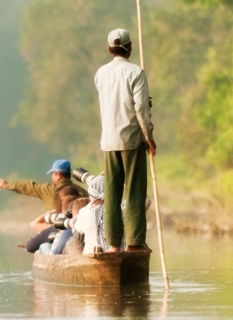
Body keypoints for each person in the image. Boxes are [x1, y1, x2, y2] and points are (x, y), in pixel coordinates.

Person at [94, 28, 155, 252]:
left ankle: (112, 246)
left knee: (111, 193)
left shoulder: (100, 73)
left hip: (109, 141)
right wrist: (149, 137)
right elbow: (139, 108)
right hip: (132, 139)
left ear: (109, 49)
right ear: (130, 47)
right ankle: (134, 243)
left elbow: (113, 101)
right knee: (135, 191)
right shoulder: (136, 72)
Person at [0, 159, 87, 212]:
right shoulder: (81, 191)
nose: (51, 176)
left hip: (55, 228)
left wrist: (7, 185)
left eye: (52, 174)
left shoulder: (49, 189)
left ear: (58, 175)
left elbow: (28, 186)